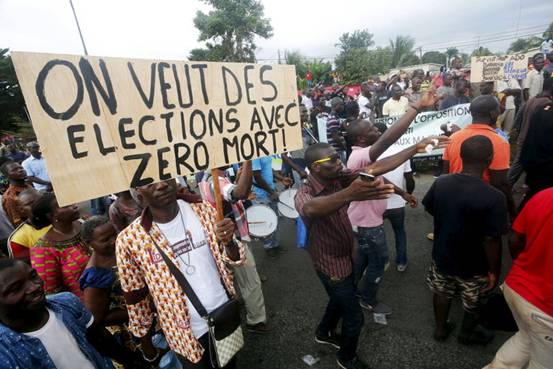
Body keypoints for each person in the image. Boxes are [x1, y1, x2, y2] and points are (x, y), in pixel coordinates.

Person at [116, 179, 245, 368]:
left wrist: (229, 242)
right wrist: (147, 344)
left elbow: (235, 259)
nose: (161, 185)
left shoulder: (205, 210)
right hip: (184, 334)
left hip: (223, 313)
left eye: (164, 176)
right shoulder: (130, 240)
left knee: (229, 363)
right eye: (149, 183)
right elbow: (136, 299)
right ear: (138, 193)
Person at [295, 142, 396, 369]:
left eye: (338, 156)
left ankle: (323, 332)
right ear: (316, 167)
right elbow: (311, 209)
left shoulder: (336, 179)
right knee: (355, 317)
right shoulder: (304, 193)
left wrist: (415, 147)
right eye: (332, 159)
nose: (339, 161)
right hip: (331, 265)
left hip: (346, 258)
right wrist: (351, 193)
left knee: (338, 300)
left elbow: (376, 167)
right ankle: (346, 358)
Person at [345, 94, 443, 315]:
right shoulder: (359, 157)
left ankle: (351, 292)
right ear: (361, 139)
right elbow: (387, 139)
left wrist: (401, 193)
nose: (377, 131)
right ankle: (368, 300)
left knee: (360, 260)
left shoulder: (364, 159)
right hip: (368, 225)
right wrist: (416, 107)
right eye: (371, 130)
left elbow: (379, 176)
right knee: (378, 262)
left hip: (362, 222)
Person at [423, 135, 508, 344]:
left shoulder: (442, 183)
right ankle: (466, 333)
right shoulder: (495, 197)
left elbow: (431, 208)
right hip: (475, 264)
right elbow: (492, 239)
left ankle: (441, 330)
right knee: (472, 299)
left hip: (442, 255)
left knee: (441, 291)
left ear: (460, 156)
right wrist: (494, 271)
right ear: (489, 160)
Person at [0, 259, 147, 369]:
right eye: (16, 289)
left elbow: (100, 338)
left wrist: (132, 362)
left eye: (33, 276)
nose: (34, 287)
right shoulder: (4, 351)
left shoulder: (67, 302)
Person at [483, 188, 553, 369]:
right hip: (545, 307)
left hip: (517, 288)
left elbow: (514, 239)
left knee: (527, 338)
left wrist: (523, 266)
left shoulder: (545, 195)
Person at [199, 162, 270, 334]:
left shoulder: (211, 178)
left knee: (241, 278)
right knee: (250, 282)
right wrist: (248, 161)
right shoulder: (215, 180)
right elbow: (239, 192)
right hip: (234, 241)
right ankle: (256, 321)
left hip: (235, 236)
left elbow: (233, 197)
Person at [79, 216, 146, 359]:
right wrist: (142, 309)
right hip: (132, 331)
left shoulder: (122, 250)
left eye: (114, 234)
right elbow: (98, 318)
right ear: (89, 243)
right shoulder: (96, 276)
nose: (113, 241)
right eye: (105, 240)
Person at [443, 95, 515, 219]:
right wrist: (513, 211)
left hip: (454, 201)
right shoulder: (499, 142)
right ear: (493, 114)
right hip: (482, 205)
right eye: (499, 108)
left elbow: (446, 172)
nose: (501, 109)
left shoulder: (453, 137)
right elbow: (500, 183)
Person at [30, 193, 90, 298]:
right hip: (83, 304)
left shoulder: (84, 223)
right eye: (65, 206)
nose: (74, 206)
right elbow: (52, 292)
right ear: (52, 216)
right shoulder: (44, 250)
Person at [509, 77, 553, 186]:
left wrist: (515, 131)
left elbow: (518, 118)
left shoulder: (532, 100)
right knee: (518, 166)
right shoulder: (546, 103)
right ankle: (506, 186)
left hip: (524, 137)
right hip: (531, 140)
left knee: (522, 164)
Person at [251, 155, 291, 256]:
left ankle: (275, 245)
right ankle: (268, 247)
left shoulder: (264, 151)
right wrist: (270, 191)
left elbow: (269, 169)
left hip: (270, 190)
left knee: (275, 219)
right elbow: (256, 175)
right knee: (266, 222)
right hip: (260, 195)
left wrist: (281, 179)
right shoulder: (253, 155)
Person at [518, 102, 553, 206]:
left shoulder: (542, 109)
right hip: (546, 173)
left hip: (533, 167)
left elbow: (529, 139)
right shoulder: (543, 110)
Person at [7, 189, 51, 260]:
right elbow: (26, 267)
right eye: (30, 204)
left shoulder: (62, 219)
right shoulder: (18, 239)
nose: (37, 205)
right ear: (21, 210)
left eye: (40, 201)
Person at [282, 104, 317, 185]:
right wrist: (299, 170)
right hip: (298, 166)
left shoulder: (307, 130)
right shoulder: (290, 132)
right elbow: (284, 155)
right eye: (303, 112)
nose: (307, 113)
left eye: (307, 111)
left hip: (309, 165)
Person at [1, 161, 33, 227]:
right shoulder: (9, 197)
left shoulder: (28, 185)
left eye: (21, 168)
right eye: (14, 170)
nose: (20, 170)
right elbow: (17, 223)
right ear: (6, 176)